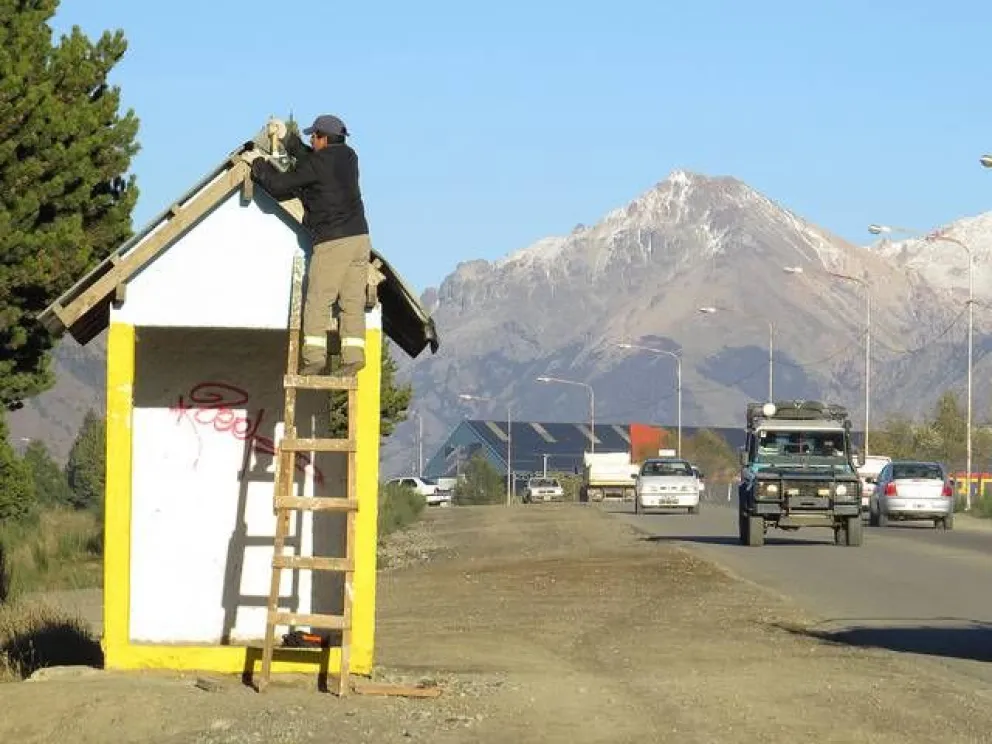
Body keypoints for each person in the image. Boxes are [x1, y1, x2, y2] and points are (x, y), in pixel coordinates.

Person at [250, 114, 371, 376]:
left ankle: (314, 359)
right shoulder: (349, 158)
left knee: (318, 300)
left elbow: (280, 185)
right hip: (359, 238)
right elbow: (312, 161)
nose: (311, 141)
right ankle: (353, 358)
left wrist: (258, 165)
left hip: (333, 240)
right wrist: (288, 140)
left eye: (313, 137)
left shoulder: (318, 163)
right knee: (352, 301)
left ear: (323, 138)